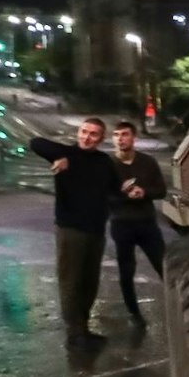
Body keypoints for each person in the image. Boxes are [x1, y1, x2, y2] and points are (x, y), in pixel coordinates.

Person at [30, 118, 119, 350]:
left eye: (93, 134)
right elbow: (35, 142)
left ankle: (84, 328)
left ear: (101, 139)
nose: (87, 137)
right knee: (71, 281)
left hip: (96, 230)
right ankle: (75, 333)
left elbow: (115, 189)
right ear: (78, 133)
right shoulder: (66, 153)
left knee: (90, 282)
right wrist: (59, 158)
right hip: (71, 230)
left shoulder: (103, 161)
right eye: (84, 132)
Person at [109, 120, 169, 325]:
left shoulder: (147, 162)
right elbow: (103, 196)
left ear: (133, 138)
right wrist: (125, 195)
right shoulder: (108, 165)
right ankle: (134, 313)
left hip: (146, 224)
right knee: (126, 270)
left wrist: (143, 192)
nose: (120, 139)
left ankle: (174, 308)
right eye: (116, 135)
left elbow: (161, 190)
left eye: (124, 134)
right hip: (121, 224)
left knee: (165, 266)